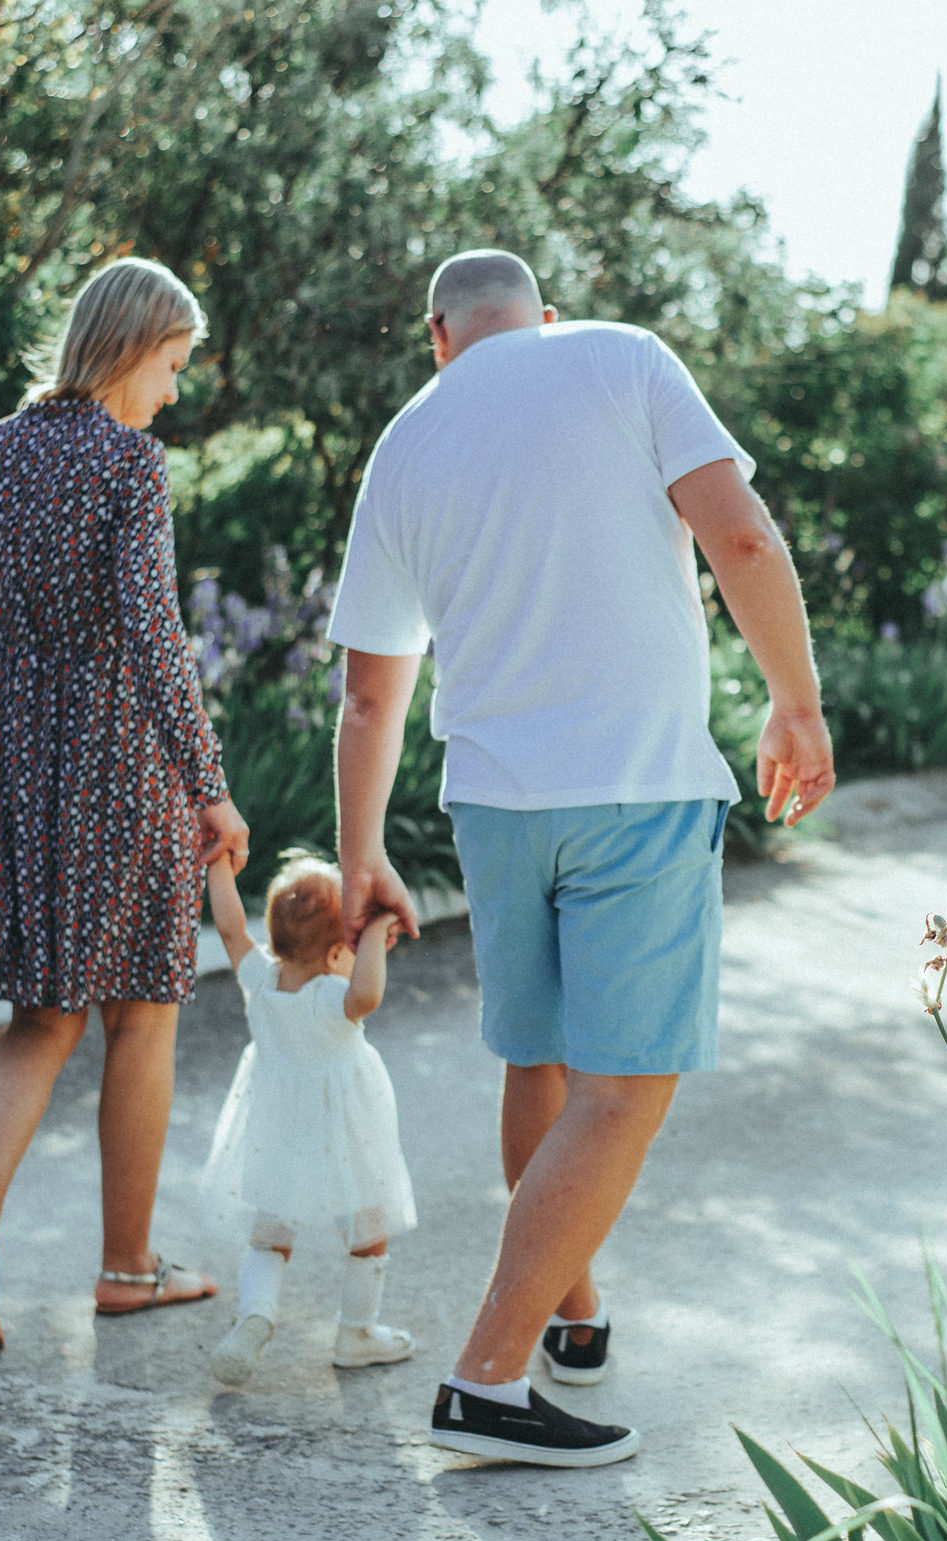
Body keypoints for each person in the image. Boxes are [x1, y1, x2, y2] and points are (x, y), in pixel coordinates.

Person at [328, 248, 835, 1467]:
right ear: (539, 318)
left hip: (495, 806)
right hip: (637, 787)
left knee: (540, 1064)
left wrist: (361, 858)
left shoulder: (406, 438)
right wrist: (796, 705)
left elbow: (366, 694)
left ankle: (576, 1315)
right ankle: (489, 1378)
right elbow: (744, 538)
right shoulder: (618, 356)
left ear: (437, 337)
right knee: (625, 1086)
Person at [0, 256, 251, 1354]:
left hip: (17, 765)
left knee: (39, 1016)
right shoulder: (127, 463)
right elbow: (154, 631)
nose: (173, 390)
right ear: (129, 348)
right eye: (171, 364)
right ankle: (126, 1266)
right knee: (142, 1014)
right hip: (120, 765)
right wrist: (208, 783)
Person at [199, 852, 417, 1385]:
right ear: (340, 949)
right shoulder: (331, 997)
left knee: (270, 1232)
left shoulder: (261, 981)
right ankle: (357, 1333)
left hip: (277, 1128)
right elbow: (367, 993)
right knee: (368, 1226)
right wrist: (378, 932)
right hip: (344, 1133)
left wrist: (217, 866)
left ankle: (255, 1314)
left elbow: (229, 929)